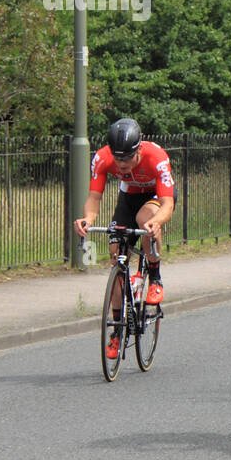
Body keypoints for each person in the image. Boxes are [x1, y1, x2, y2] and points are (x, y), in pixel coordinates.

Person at [74, 118, 175, 361]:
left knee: (145, 219)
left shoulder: (157, 158)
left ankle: (155, 277)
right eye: (117, 159)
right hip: (128, 198)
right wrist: (87, 218)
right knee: (116, 252)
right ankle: (117, 329)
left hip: (154, 198)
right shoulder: (102, 158)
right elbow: (95, 197)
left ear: (139, 149)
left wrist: (157, 222)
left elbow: (168, 203)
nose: (122, 165)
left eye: (127, 159)